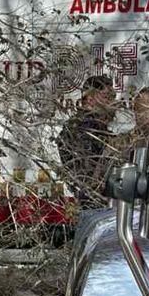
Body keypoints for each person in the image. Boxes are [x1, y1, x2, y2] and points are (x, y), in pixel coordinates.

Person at [56, 75, 117, 209]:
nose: (112, 103)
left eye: (113, 98)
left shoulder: (97, 128)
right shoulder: (83, 129)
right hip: (92, 204)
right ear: (90, 99)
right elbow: (88, 176)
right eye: (107, 97)